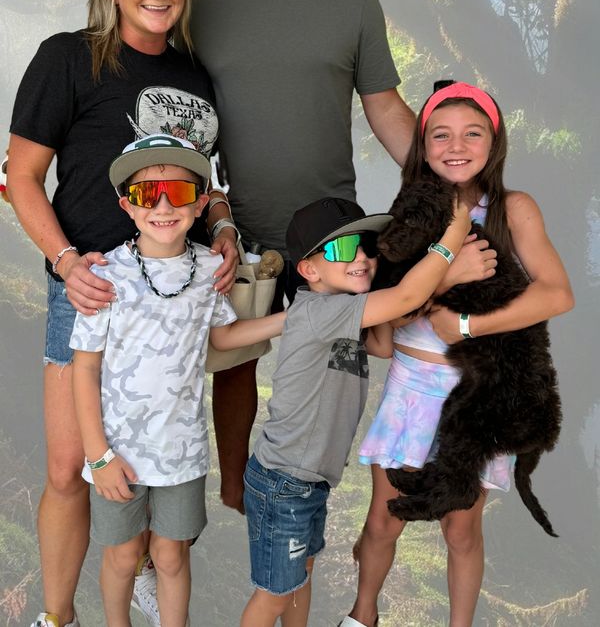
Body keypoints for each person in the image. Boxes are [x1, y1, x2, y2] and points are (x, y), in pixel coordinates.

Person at [8, 0, 238, 627]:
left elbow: (212, 180)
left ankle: (143, 572)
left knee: (161, 455)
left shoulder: (196, 75)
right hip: (91, 286)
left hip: (172, 296)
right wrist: (66, 259)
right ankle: (56, 616)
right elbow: (22, 175)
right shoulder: (67, 59)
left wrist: (223, 225)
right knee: (72, 465)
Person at [191, 0, 416, 512]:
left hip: (332, 231)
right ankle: (235, 493)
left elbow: (385, 109)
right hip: (241, 231)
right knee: (233, 366)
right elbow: (185, 133)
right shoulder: (200, 11)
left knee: (329, 364)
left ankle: (304, 492)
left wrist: (456, 183)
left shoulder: (353, 0)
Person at [341, 82, 574, 627]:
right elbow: (389, 311)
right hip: (410, 386)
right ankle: (362, 614)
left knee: (462, 527)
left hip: (475, 394)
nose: (456, 145)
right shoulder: (407, 215)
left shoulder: (513, 209)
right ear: (422, 145)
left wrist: (467, 324)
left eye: (473, 133)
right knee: (382, 520)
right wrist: (448, 274)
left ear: (494, 143)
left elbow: (556, 293)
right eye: (440, 134)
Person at [70, 134, 286, 627]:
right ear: (127, 205)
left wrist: (288, 320)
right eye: (148, 195)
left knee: (171, 557)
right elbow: (85, 369)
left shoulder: (211, 269)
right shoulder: (105, 274)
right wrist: (98, 455)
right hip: (116, 454)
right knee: (124, 558)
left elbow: (224, 337)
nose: (164, 205)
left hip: (182, 452)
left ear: (201, 201)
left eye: (180, 192)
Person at [240, 193, 472, 627]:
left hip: (308, 481)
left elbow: (383, 343)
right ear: (308, 270)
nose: (362, 257)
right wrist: (453, 237)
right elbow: (406, 298)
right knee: (273, 595)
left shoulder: (343, 314)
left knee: (299, 579)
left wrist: (392, 297)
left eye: (367, 246)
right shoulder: (320, 311)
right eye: (343, 249)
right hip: (285, 481)